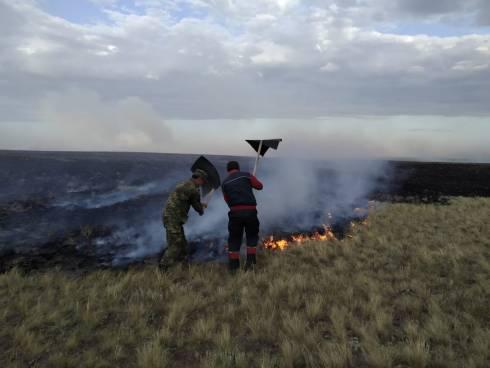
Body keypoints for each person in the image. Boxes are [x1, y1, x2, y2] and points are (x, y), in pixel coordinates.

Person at [159, 169, 208, 271]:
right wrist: (202, 208)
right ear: (198, 179)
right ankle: (162, 269)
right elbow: (198, 208)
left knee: (182, 244)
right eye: (203, 181)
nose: (202, 184)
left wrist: (200, 204)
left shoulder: (185, 184)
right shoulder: (193, 189)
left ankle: (183, 268)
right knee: (175, 245)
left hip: (171, 217)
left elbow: (189, 200)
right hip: (173, 218)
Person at [221, 161, 263, 272]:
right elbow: (259, 186)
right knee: (252, 236)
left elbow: (227, 200)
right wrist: (252, 180)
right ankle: (250, 264)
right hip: (250, 212)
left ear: (228, 170)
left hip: (235, 213)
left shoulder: (224, 183)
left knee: (234, 239)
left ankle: (234, 267)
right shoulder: (246, 175)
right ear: (238, 168)